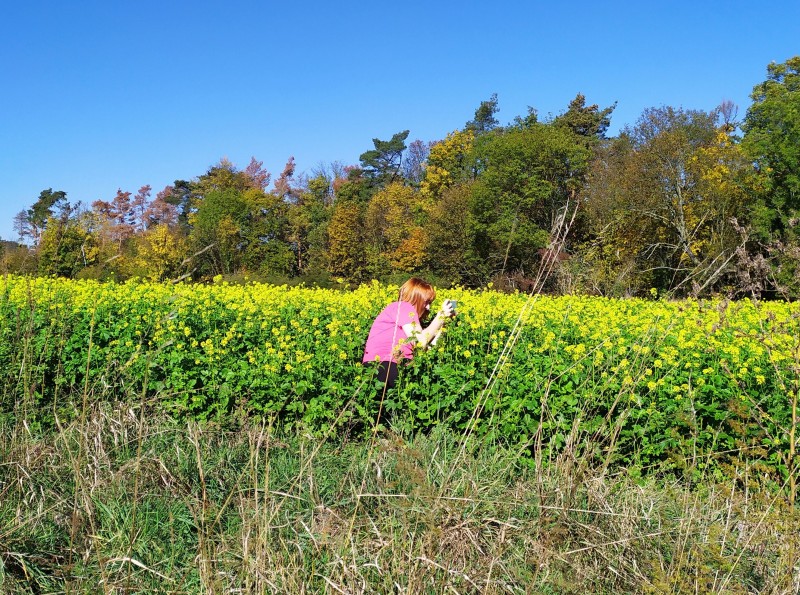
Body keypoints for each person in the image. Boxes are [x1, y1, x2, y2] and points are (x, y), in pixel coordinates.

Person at [362, 277, 455, 391]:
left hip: (395, 367)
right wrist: (441, 316)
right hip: (385, 366)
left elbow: (426, 348)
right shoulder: (402, 306)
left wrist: (443, 326)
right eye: (426, 302)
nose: (428, 308)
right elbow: (421, 341)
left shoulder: (408, 320)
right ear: (415, 297)